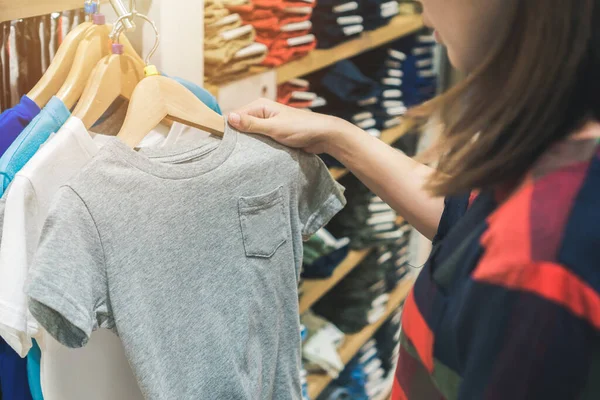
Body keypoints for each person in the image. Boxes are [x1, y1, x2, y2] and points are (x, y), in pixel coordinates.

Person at [228, 0, 600, 398]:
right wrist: (337, 134)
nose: (423, 12)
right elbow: (466, 216)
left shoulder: (544, 255)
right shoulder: (561, 154)